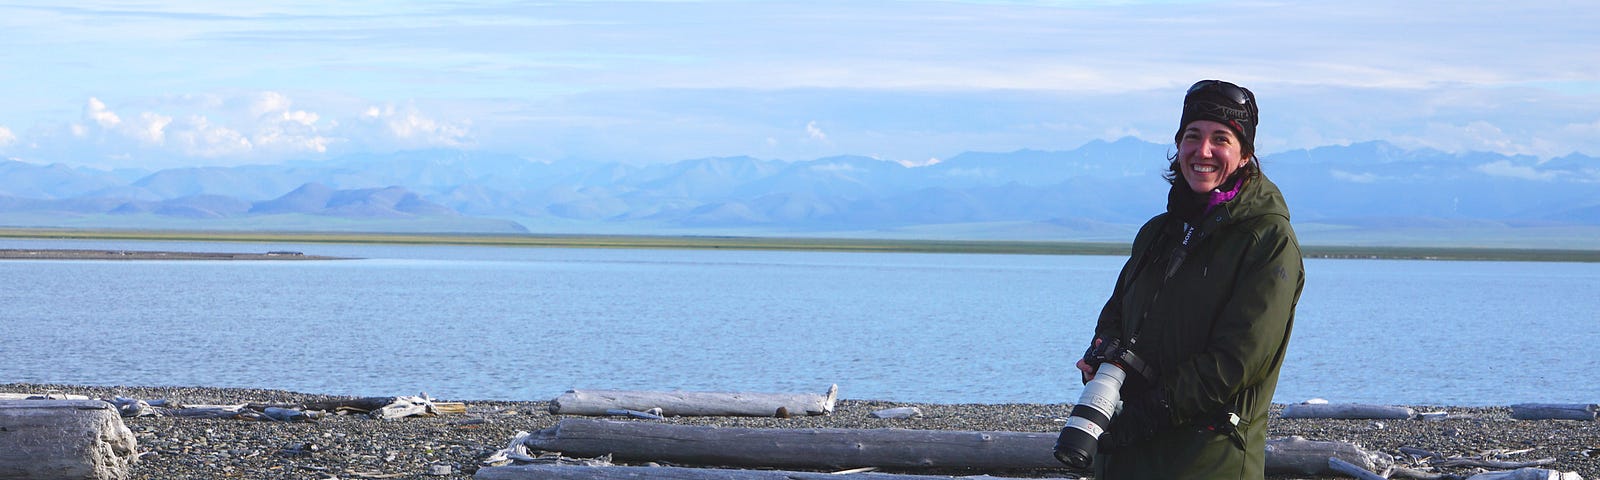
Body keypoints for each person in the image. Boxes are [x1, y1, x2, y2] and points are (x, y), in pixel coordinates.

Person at [1054, 79, 1305, 479]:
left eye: (1220, 139)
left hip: (1207, 461)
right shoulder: (1158, 232)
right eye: (1193, 136)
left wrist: (1148, 412)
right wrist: (1104, 358)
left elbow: (1236, 362)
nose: (1202, 151)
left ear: (1245, 156)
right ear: (1179, 144)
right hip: (1127, 459)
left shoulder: (1268, 241)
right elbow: (1117, 313)